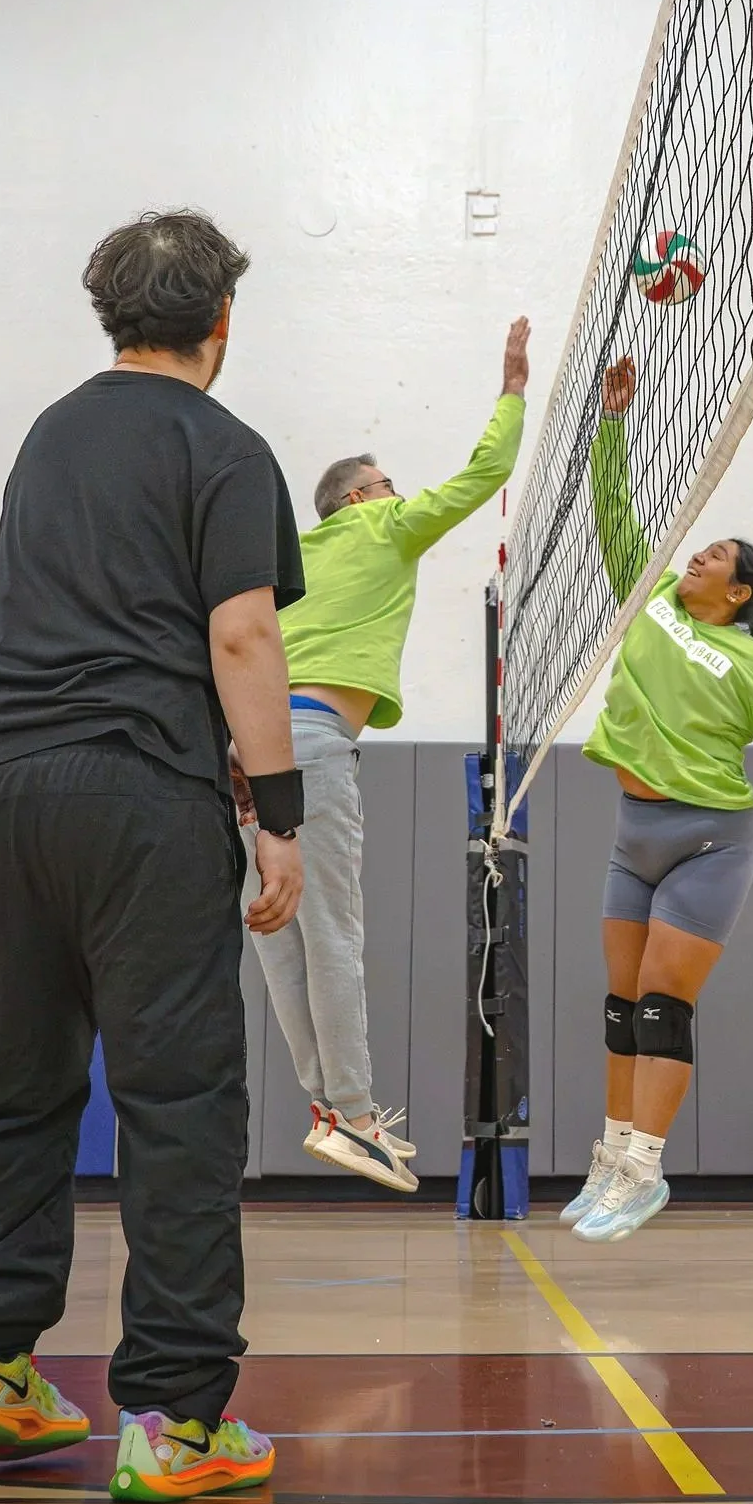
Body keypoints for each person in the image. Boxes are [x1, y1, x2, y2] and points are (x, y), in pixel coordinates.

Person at [0, 210, 305, 1504]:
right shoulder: (226, 444)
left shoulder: (50, 431)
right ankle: (178, 1419)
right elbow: (244, 637)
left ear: (110, 314)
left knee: (21, 1078)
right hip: (140, 783)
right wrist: (281, 814)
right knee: (179, 1097)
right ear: (222, 322)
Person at [246, 318, 531, 1193]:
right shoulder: (381, 531)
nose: (398, 495)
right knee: (331, 932)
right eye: (387, 486)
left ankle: (332, 1113)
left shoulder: (287, 556)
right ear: (362, 500)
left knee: (281, 939)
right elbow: (484, 475)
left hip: (243, 752)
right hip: (314, 744)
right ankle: (360, 1115)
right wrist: (513, 390)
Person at [560, 352, 753, 1242]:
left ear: (737, 592)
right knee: (618, 1004)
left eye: (714, 557)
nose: (697, 554)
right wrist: (611, 423)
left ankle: (645, 1169)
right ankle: (609, 1156)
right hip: (632, 831)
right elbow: (613, 517)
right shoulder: (652, 605)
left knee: (661, 1006)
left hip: (709, 841)